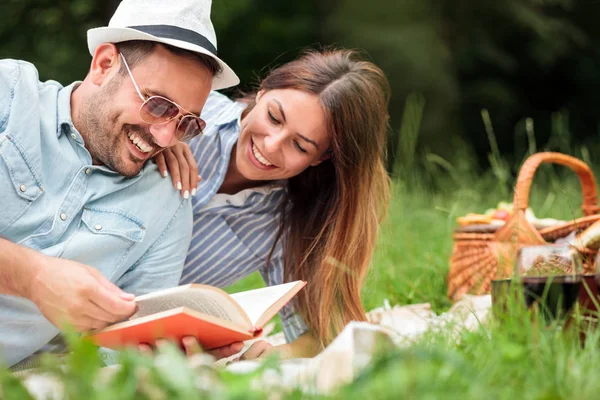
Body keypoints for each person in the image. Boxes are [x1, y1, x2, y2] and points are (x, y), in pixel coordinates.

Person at [0, 0, 241, 368]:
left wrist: (169, 355)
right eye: (159, 105)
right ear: (104, 65)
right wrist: (29, 274)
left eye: (186, 123)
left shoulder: (167, 204)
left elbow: (115, 354)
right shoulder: (10, 95)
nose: (164, 137)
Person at [155, 48, 391, 359]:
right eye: (274, 117)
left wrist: (269, 357)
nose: (270, 145)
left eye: (299, 145)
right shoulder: (189, 115)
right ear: (262, 92)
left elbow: (323, 332)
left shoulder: (287, 224)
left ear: (320, 158)